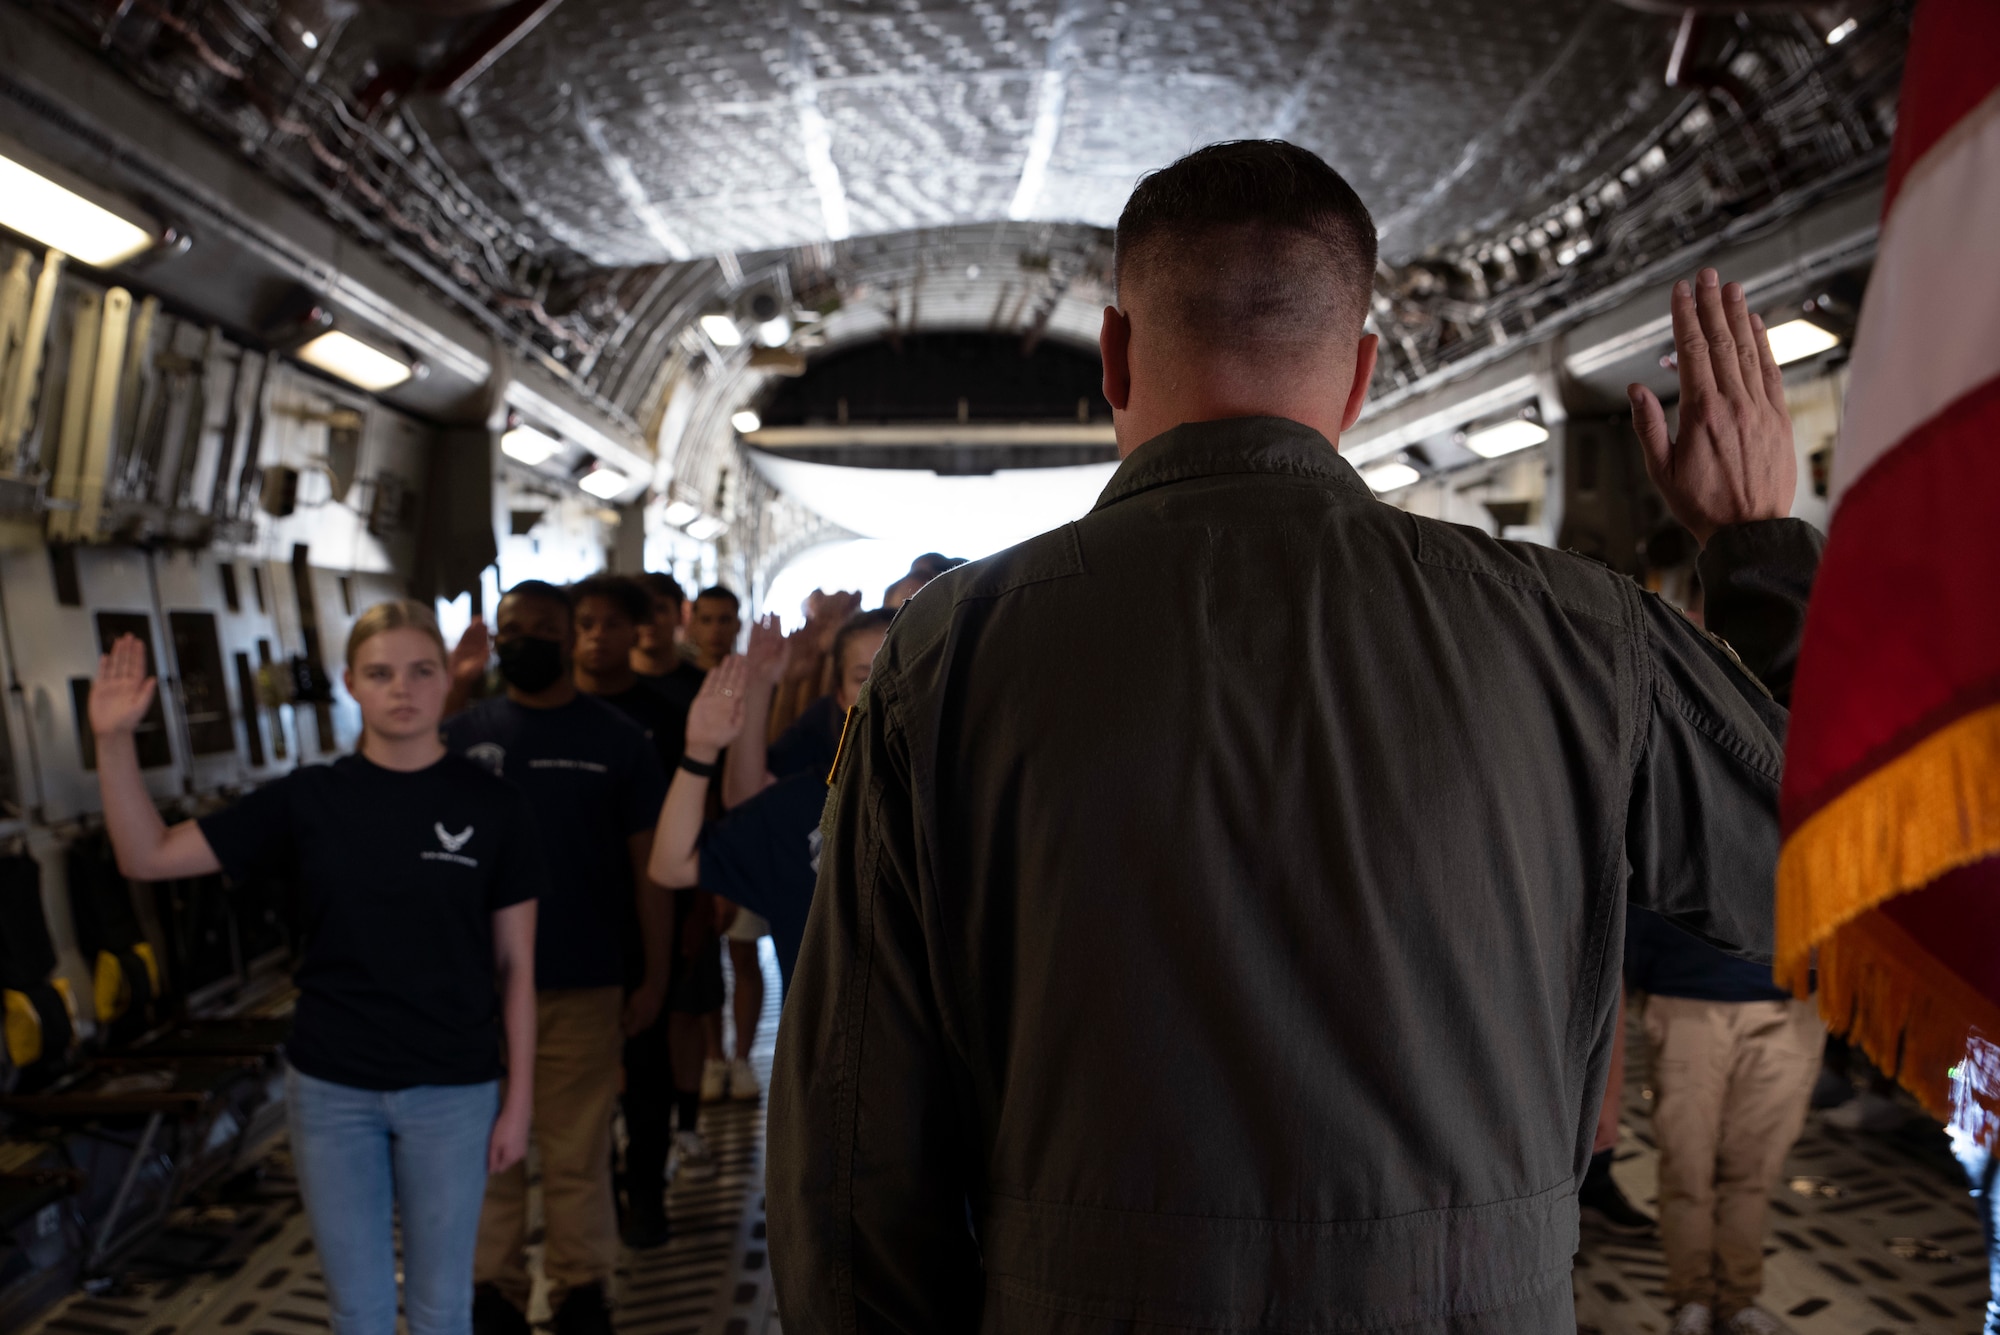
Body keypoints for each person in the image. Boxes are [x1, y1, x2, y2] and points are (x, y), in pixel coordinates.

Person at [767, 139, 1823, 1334]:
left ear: (1114, 356)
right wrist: (1752, 552)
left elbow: (852, 1141)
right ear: (1363, 373)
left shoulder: (946, 654)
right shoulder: (1578, 634)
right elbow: (1820, 874)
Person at [87, 604, 540, 1335]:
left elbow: (517, 964)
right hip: (334, 1089)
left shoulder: (494, 805)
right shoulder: (309, 799)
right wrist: (112, 741)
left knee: (441, 1307)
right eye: (381, 672)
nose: (403, 688)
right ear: (350, 684)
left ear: (449, 677)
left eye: (422, 670)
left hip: (452, 1088)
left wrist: (516, 1101)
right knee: (356, 1311)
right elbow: (148, 855)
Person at [444, 580, 670, 1335]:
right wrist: (453, 685)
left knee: (576, 1146)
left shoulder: (615, 740)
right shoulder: (464, 731)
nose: (525, 639)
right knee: (488, 1148)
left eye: (543, 628)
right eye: (513, 627)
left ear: (570, 636)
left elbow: (650, 869)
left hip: (583, 975)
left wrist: (656, 973)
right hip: (476, 985)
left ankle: (581, 1290)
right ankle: (494, 1290)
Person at [568, 573, 710, 1246]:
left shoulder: (659, 717)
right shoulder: (531, 716)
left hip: (648, 914)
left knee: (645, 1066)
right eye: (584, 622)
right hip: (567, 924)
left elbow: (695, 818)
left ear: (638, 632)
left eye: (611, 623)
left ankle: (645, 1189)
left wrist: (691, 914)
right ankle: (591, 1195)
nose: (597, 637)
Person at [1627, 909, 1825, 1335]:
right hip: (1686, 988)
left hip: (1794, 998)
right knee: (1686, 1166)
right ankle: (1692, 1296)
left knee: (1753, 1171)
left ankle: (1737, 1298)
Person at [687, 585, 743, 671]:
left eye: (724, 620)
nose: (716, 629)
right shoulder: (675, 681)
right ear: (693, 626)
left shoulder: (753, 680)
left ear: (738, 625)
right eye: (706, 620)